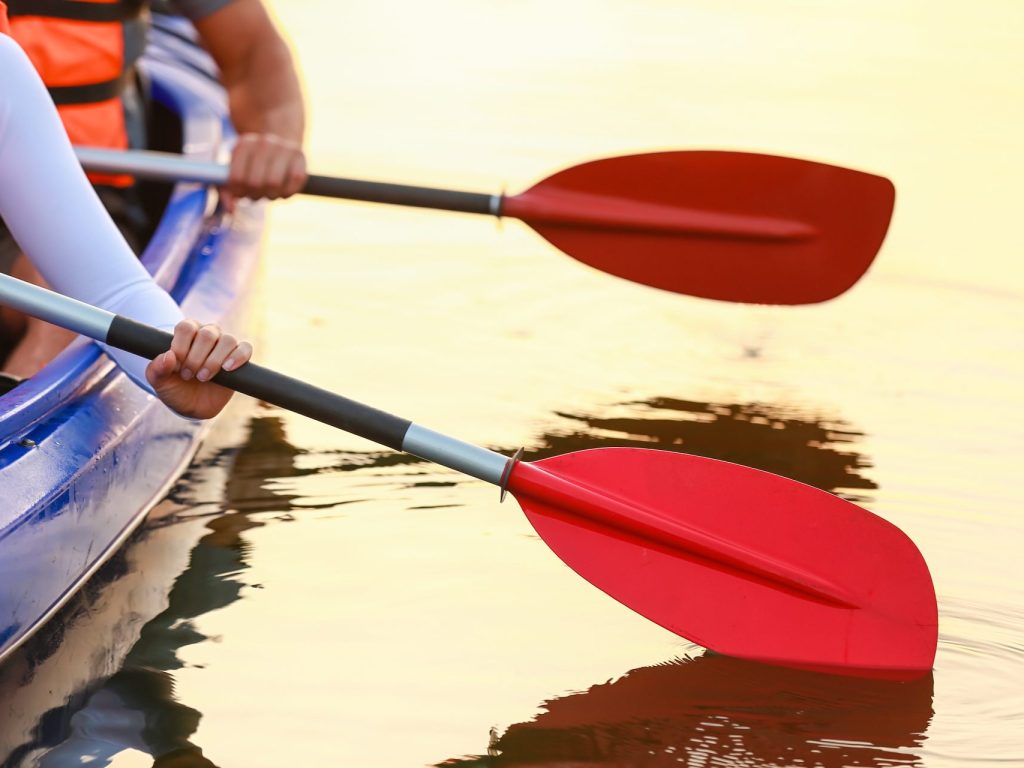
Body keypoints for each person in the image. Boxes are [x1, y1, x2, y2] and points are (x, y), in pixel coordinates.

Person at [1, 0, 304, 380]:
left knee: (54, 299)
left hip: (82, 191)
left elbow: (252, 54)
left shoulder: (4, 66)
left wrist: (270, 144)